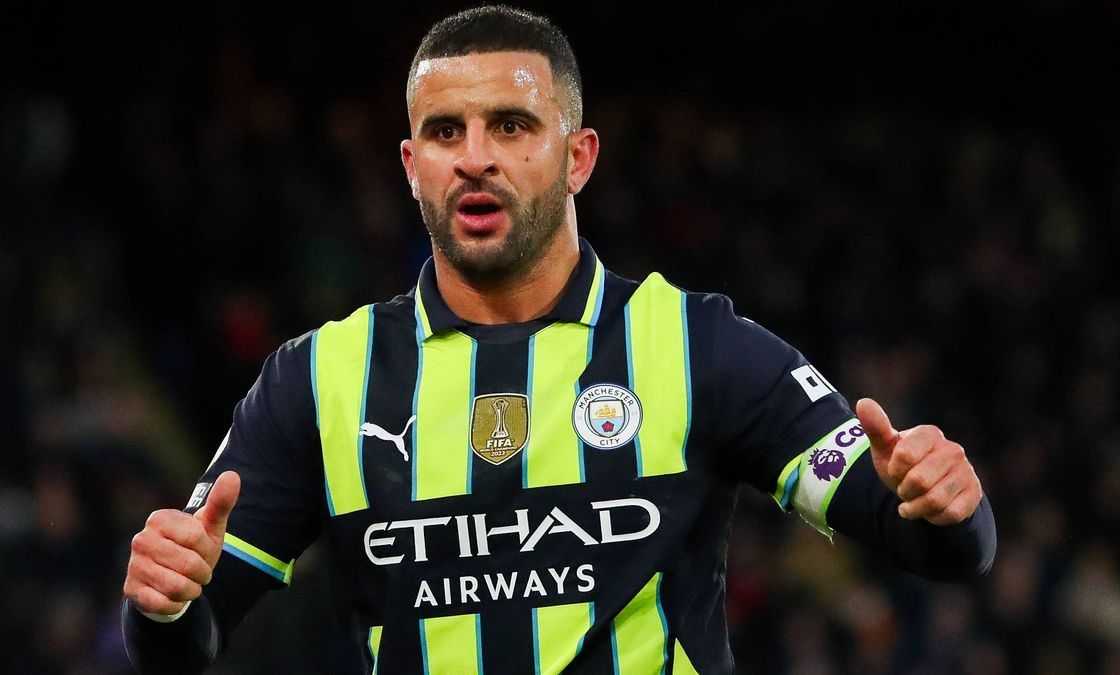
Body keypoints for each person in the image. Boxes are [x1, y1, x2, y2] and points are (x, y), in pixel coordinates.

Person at [121, 6, 996, 673]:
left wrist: (947, 504)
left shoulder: (699, 347)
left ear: (577, 157)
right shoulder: (321, 380)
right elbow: (183, 638)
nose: (474, 157)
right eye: (444, 132)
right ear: (410, 167)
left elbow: (927, 541)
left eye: (510, 125)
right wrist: (162, 601)